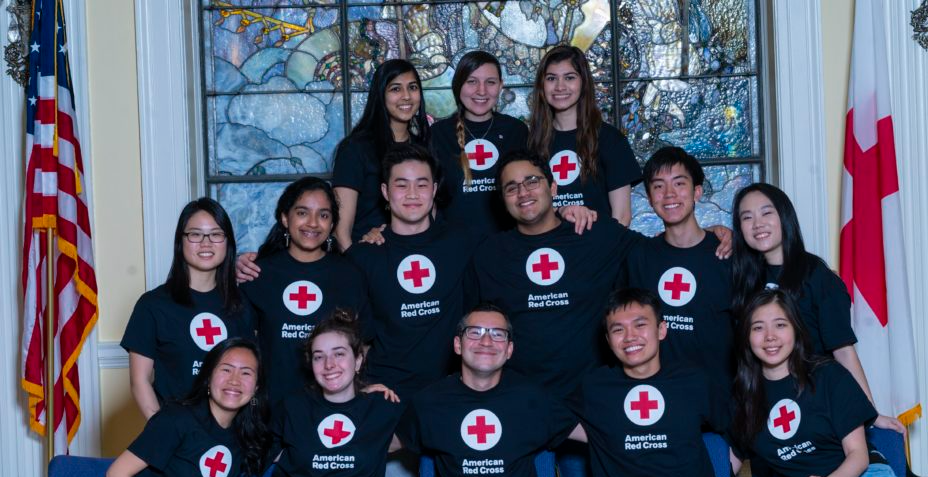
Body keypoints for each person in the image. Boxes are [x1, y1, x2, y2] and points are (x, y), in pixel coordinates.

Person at [470, 149, 641, 475]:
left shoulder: (593, 234)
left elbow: (661, 254)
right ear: (502, 200)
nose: (523, 193)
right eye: (511, 187)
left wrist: (714, 235)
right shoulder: (489, 255)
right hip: (523, 406)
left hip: (589, 406)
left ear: (554, 187)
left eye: (532, 181)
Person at [731, 183, 904, 434]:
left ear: (785, 217)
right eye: (747, 217)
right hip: (764, 405)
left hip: (816, 401)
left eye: (767, 213)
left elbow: (843, 351)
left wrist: (870, 413)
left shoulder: (818, 277)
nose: (757, 223)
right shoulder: (742, 280)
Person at [346, 143, 478, 398]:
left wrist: (567, 211)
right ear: (385, 191)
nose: (412, 194)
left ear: (434, 190)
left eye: (421, 184)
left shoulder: (462, 243)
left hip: (451, 391)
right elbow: (352, 336)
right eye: (401, 184)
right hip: (385, 391)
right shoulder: (362, 257)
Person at [398, 304, 580, 477]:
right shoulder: (428, 402)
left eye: (498, 334)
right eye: (475, 332)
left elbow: (600, 433)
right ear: (457, 344)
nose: (486, 341)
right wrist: (369, 394)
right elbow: (380, 443)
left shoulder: (535, 398)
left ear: (509, 349)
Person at [729, 289, 896, 477]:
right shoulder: (744, 396)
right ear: (746, 336)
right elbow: (730, 460)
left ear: (795, 329)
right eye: (758, 327)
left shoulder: (830, 376)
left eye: (780, 325)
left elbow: (858, 456)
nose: (770, 336)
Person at [568, 288, 729, 477]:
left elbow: (739, 426)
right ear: (608, 340)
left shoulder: (694, 381)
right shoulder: (594, 388)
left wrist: (728, 469)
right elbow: (549, 423)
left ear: (661, 330)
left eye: (640, 325)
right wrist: (599, 437)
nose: (630, 336)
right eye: (618, 329)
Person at [239, 177, 370, 404]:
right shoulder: (257, 273)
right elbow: (242, 345)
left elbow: (363, 343)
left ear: (332, 224)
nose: (312, 223)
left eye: (323, 215)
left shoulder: (349, 275)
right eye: (302, 213)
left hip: (333, 408)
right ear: (284, 218)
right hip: (272, 407)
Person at [121, 198, 255, 419]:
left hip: (232, 437)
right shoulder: (153, 305)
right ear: (180, 241)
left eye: (216, 234)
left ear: (227, 242)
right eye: (195, 234)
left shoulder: (243, 304)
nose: (206, 243)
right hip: (176, 434)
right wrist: (165, 434)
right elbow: (140, 381)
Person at [623, 147, 734, 385]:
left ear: (697, 192)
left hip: (721, 397)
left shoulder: (728, 252)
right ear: (650, 198)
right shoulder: (638, 257)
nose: (669, 194)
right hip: (658, 398)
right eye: (659, 186)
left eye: (679, 184)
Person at [107, 338, 269, 477]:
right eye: (226, 370)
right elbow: (117, 473)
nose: (234, 380)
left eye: (246, 373)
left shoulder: (245, 434)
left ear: (256, 388)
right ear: (208, 377)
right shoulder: (175, 419)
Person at [272, 309, 404, 477]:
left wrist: (361, 396)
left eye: (339, 354)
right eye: (318, 357)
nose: (329, 364)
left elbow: (428, 432)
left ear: (358, 360)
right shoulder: (292, 407)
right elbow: (259, 454)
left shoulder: (380, 407)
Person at [527, 45, 641, 226]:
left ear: (584, 82)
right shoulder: (530, 143)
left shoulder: (610, 139)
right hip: (548, 251)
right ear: (542, 85)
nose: (560, 86)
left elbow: (622, 217)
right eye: (551, 78)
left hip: (597, 250)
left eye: (569, 77)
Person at [332, 59, 431, 251]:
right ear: (380, 95)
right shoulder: (355, 149)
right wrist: (358, 267)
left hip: (416, 258)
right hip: (370, 258)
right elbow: (341, 232)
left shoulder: (425, 147)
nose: (406, 96)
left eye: (412, 87)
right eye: (395, 89)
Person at [430, 50, 528, 236]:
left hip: (507, 245)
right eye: (472, 82)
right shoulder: (438, 134)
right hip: (453, 244)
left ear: (501, 86)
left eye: (490, 82)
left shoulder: (516, 131)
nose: (481, 91)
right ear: (458, 85)